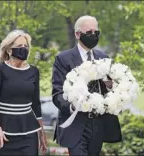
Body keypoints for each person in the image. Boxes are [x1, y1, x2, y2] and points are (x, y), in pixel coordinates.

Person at [52, 15, 122, 156]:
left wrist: (110, 86)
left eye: (96, 33)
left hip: (98, 125)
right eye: (89, 32)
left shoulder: (103, 58)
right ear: (78, 34)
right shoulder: (63, 59)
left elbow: (110, 91)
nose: (94, 36)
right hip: (75, 124)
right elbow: (57, 94)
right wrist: (72, 106)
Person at [0, 30, 47, 156]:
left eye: (26, 46)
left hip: (29, 131)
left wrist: (42, 133)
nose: (24, 49)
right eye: (19, 46)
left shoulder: (34, 71)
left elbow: (36, 104)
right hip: (2, 132)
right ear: (9, 50)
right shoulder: (0, 69)